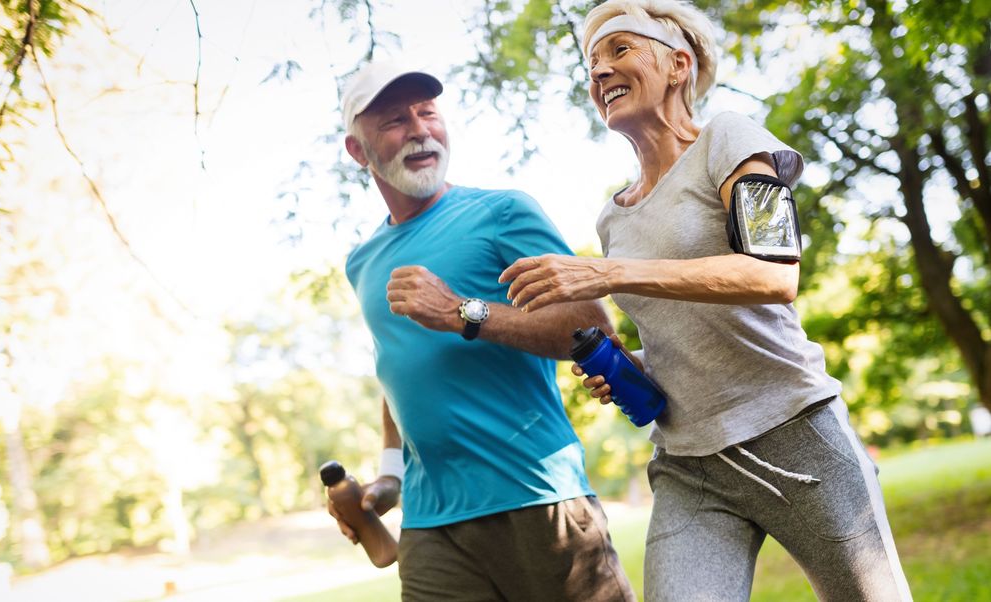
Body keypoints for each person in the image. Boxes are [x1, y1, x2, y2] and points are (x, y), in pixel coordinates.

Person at [499, 1, 913, 601]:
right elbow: (680, 323)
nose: (599, 72)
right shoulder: (613, 218)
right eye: (591, 62)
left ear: (677, 64)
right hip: (691, 467)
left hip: (796, 436)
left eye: (619, 50)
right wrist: (633, 367)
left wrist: (607, 272)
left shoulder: (733, 137)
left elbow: (774, 273)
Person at [330, 58, 635, 602]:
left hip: (536, 497)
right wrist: (390, 475)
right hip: (430, 525)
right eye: (396, 120)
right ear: (358, 150)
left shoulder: (501, 212)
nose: (421, 129)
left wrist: (461, 314)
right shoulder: (362, 262)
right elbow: (398, 369)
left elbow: (592, 328)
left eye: (428, 112)